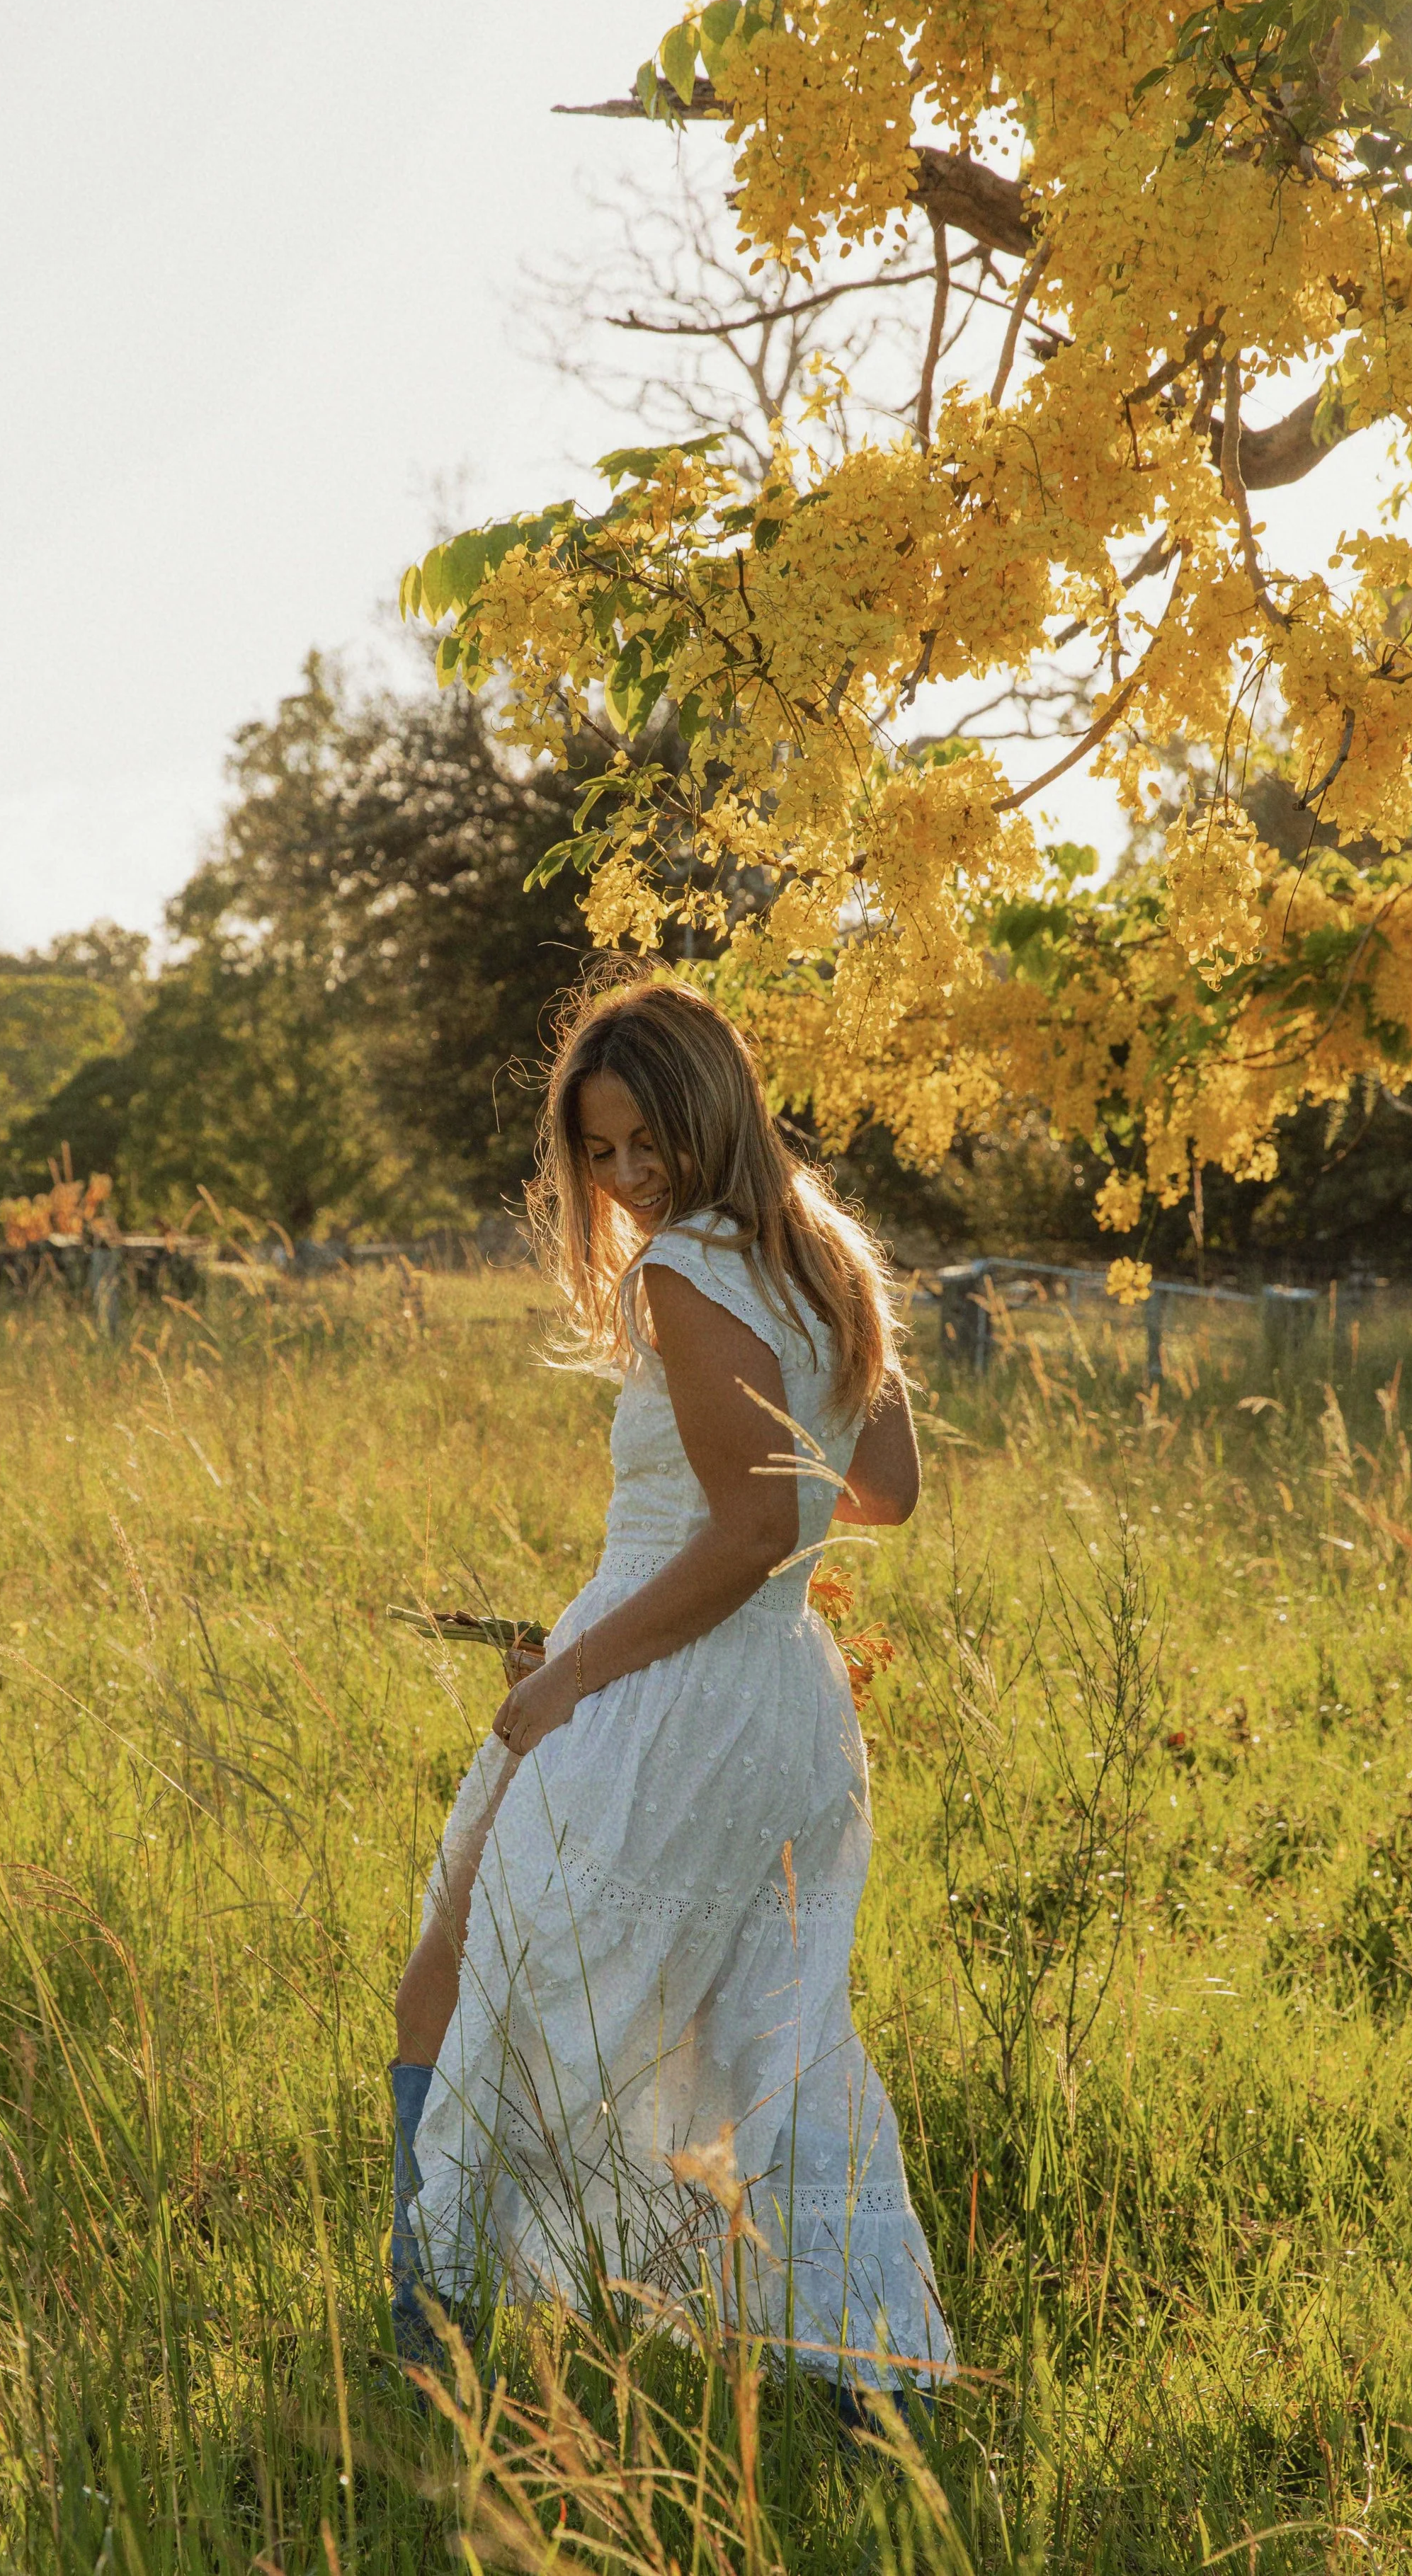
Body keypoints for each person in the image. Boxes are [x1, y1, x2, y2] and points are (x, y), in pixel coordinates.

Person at [389, 973, 950, 2412]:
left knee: (468, 1988)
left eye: (651, 1143)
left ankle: (435, 2351)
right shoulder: (818, 1251)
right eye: (599, 1152)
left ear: (712, 1119)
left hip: (665, 1695)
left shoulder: (685, 1271)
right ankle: (860, 2373)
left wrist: (565, 1676)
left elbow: (762, 1528)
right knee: (772, 2027)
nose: (628, 1178)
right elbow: (876, 1492)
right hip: (772, 1692)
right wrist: (666, 1581)